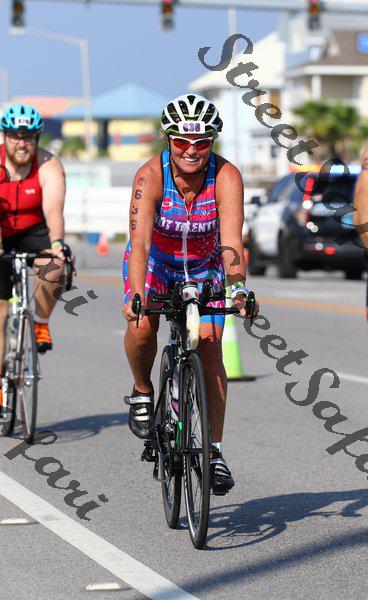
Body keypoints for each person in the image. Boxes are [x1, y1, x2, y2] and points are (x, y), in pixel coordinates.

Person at [122, 93, 258, 495]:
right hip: (157, 264)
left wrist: (238, 287)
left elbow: (231, 241)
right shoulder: (150, 176)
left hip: (205, 265)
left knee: (211, 346)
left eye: (202, 142)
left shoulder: (226, 176)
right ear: (168, 140)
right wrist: (136, 295)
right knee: (141, 325)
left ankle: (214, 452)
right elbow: (140, 242)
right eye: (182, 141)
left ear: (212, 142)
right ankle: (143, 391)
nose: (192, 150)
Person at [0, 103, 70, 418]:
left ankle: (39, 321)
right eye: (15, 136)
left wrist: (57, 245)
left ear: (37, 138)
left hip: (33, 228)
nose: (22, 143)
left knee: (55, 266)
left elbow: (53, 209)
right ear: (5, 137)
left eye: (28, 137)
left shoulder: (49, 164)